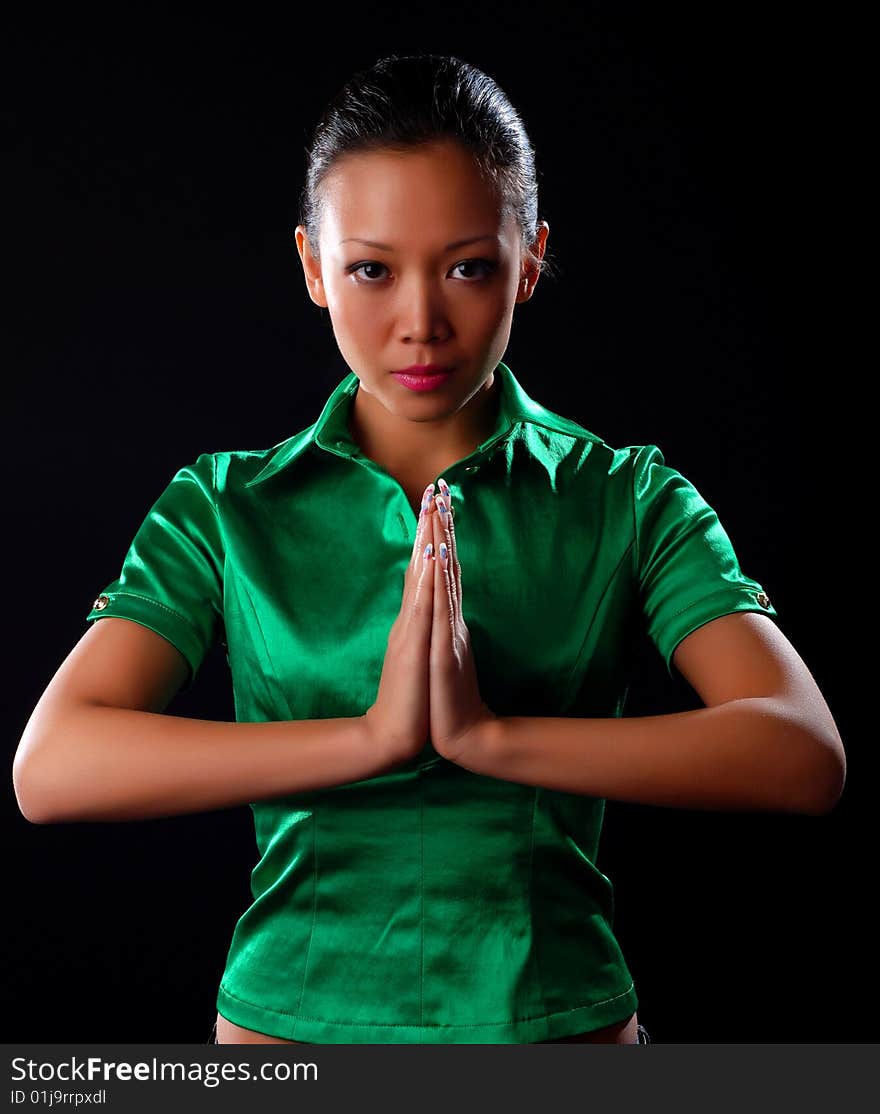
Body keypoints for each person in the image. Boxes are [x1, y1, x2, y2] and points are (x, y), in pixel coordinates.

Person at [12, 53, 845, 1046]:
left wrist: (489, 737)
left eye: (467, 267)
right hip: (289, 1037)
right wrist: (371, 737)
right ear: (313, 267)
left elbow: (801, 753)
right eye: (371, 268)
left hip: (556, 1032)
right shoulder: (224, 507)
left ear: (529, 260)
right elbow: (52, 767)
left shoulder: (628, 496)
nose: (420, 323)